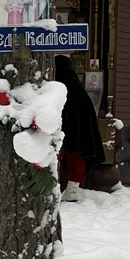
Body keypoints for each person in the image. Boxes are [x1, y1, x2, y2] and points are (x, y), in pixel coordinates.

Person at [55, 55, 106, 201]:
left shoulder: (57, 85)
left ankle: (56, 189)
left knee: (56, 157)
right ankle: (72, 191)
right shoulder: (78, 86)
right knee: (76, 158)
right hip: (80, 132)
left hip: (62, 129)